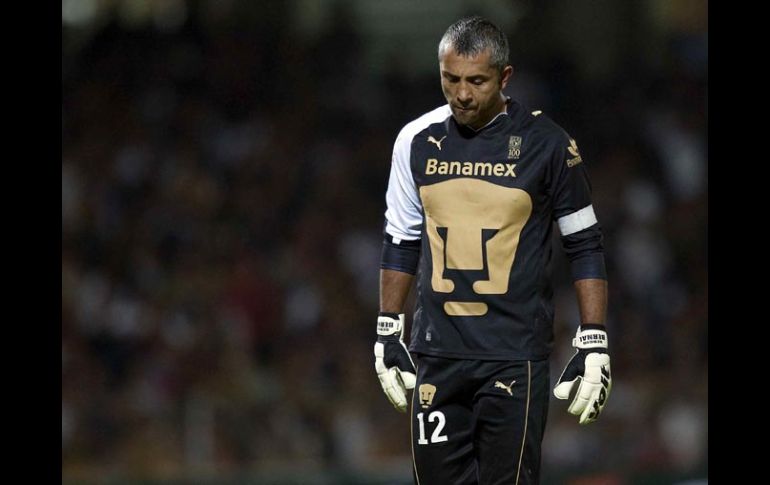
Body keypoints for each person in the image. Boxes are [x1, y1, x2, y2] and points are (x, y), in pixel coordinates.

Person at [373, 16, 612, 485]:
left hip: (514, 357)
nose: (462, 93)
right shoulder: (414, 141)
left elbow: (585, 244)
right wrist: (387, 330)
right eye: (450, 79)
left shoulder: (549, 146)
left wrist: (594, 339)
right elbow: (400, 239)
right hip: (437, 356)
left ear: (504, 78)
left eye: (476, 81)